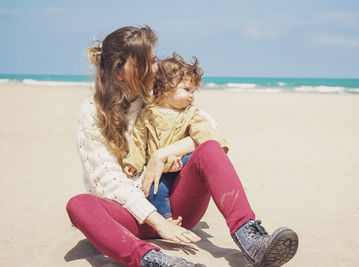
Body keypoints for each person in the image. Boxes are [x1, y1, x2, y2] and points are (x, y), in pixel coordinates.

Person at [66, 26, 299, 267]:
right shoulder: (92, 112)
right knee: (79, 204)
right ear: (118, 72)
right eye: (147, 62)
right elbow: (106, 181)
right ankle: (153, 260)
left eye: (155, 59)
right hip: (128, 218)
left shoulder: (154, 98)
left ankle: (250, 239)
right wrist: (158, 223)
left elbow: (211, 129)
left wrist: (162, 154)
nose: (156, 68)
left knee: (208, 148)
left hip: (174, 210)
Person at [122, 53, 228, 223]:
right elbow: (138, 141)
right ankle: (168, 220)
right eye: (187, 89)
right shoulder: (148, 113)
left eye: (193, 91)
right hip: (161, 170)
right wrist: (133, 162)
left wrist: (217, 147)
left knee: (194, 159)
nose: (192, 95)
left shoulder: (191, 113)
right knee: (156, 190)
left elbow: (204, 131)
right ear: (165, 87)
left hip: (182, 164)